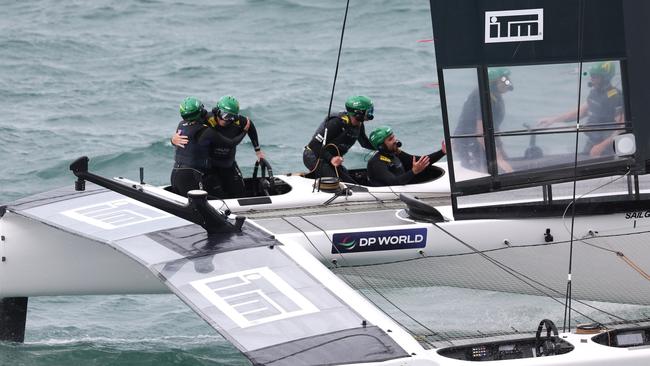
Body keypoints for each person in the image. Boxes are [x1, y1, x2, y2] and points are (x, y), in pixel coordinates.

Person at [172, 95, 263, 198]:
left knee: (239, 193)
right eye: (224, 115)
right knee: (217, 195)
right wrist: (173, 139)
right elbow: (189, 127)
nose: (226, 120)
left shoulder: (238, 121)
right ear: (217, 111)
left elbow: (250, 126)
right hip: (211, 168)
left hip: (228, 164)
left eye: (230, 117)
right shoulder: (206, 119)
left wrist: (258, 151)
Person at [538, 61, 624, 157]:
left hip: (607, 147)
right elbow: (579, 113)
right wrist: (552, 120)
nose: (592, 79)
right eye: (591, 76)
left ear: (605, 78)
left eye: (595, 77)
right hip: (593, 142)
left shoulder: (616, 97)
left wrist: (601, 146)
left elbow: (621, 129)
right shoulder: (594, 93)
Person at [453, 67, 514, 173]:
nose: (507, 82)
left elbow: (494, 127)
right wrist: (498, 157)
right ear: (493, 83)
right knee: (481, 172)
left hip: (481, 142)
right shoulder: (481, 96)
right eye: (503, 79)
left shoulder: (495, 96)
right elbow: (480, 133)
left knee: (498, 166)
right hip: (468, 143)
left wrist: (502, 152)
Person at [303, 95, 376, 183]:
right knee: (337, 183)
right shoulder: (337, 123)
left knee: (350, 182)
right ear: (358, 113)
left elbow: (364, 142)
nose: (370, 115)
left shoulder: (359, 125)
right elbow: (314, 145)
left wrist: (382, 148)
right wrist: (331, 159)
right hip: (314, 156)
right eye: (368, 112)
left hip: (330, 159)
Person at [366, 126, 446, 186]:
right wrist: (413, 171)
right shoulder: (376, 163)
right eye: (390, 139)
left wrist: (442, 152)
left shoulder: (395, 153)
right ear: (381, 146)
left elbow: (419, 161)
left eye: (393, 137)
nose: (395, 140)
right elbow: (394, 183)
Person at [170, 96, 210, 196]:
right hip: (191, 175)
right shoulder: (204, 130)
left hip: (175, 173)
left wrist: (172, 140)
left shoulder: (181, 125)